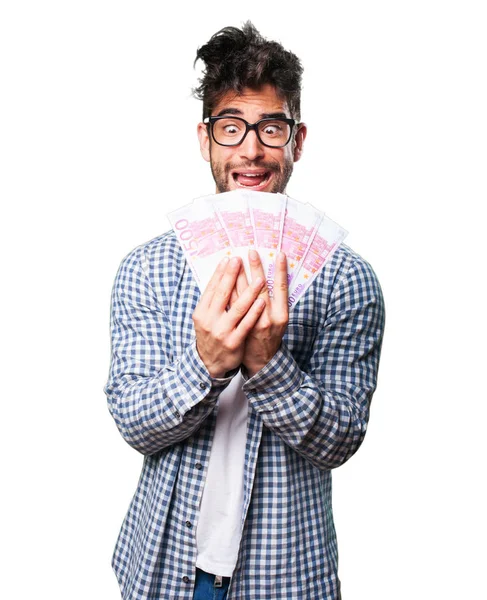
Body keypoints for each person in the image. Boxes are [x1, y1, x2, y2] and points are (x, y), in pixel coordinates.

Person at [104, 21, 385, 600]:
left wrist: (266, 365)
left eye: (270, 128)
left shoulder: (347, 279)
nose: (251, 150)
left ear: (297, 140)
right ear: (205, 140)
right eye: (231, 128)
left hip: (285, 575)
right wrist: (204, 365)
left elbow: (341, 440)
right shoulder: (146, 269)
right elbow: (134, 423)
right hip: (160, 568)